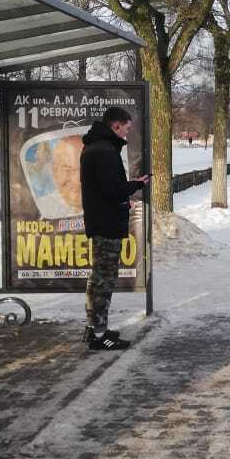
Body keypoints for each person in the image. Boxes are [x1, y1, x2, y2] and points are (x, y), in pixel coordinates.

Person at [80, 106, 150, 352]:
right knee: (104, 280)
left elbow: (105, 189)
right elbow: (112, 188)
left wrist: (124, 194)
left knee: (97, 277)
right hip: (107, 223)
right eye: (127, 128)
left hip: (102, 220)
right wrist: (133, 186)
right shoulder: (105, 151)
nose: (128, 133)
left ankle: (94, 328)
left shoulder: (96, 147)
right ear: (116, 125)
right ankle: (99, 335)